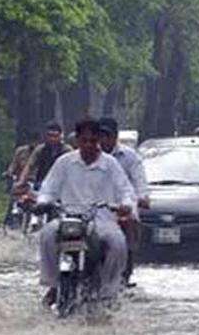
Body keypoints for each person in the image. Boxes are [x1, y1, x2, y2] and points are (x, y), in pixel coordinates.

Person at [35, 119, 135, 305]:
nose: (88, 145)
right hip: (68, 218)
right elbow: (49, 188)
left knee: (118, 243)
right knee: (47, 234)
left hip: (102, 220)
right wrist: (43, 202)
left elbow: (125, 190)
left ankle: (109, 289)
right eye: (84, 140)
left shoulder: (111, 164)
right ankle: (53, 283)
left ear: (98, 140)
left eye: (92, 140)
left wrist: (125, 204)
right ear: (77, 141)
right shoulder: (64, 163)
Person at [99, 117, 149, 287]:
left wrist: (142, 197)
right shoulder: (86, 155)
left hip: (121, 207)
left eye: (108, 136)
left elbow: (139, 181)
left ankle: (124, 273)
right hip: (92, 207)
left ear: (115, 137)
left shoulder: (130, 157)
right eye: (101, 136)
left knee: (129, 224)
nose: (104, 140)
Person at [19, 122, 70, 190]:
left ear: (60, 136)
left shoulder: (67, 150)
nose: (52, 139)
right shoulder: (40, 149)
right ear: (45, 136)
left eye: (55, 136)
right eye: (50, 135)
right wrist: (21, 181)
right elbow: (29, 166)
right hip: (42, 183)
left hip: (62, 185)